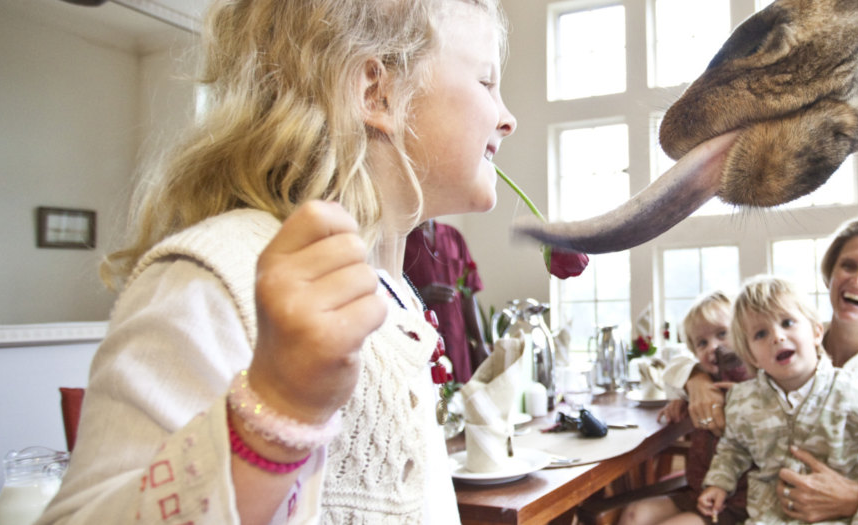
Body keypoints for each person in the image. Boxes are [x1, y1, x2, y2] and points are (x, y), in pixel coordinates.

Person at [38, 0, 517, 522]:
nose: (508, 119)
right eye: (488, 83)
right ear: (377, 92)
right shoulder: (220, 277)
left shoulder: (390, 291)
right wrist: (272, 415)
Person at [683, 211, 858, 520]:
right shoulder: (787, 339)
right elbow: (708, 343)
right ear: (830, 275)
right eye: (848, 265)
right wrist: (695, 378)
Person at [697, 276, 858, 524]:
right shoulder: (743, 400)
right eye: (761, 334)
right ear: (752, 357)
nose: (777, 337)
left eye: (787, 323)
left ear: (816, 332)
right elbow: (734, 447)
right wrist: (719, 483)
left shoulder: (855, 395)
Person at [620, 291, 752, 525]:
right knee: (634, 514)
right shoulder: (701, 384)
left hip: (738, 503)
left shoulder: (755, 385)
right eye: (702, 342)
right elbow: (675, 370)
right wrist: (683, 397)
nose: (713, 346)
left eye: (722, 334)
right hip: (697, 490)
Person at [404, 219, 488, 382]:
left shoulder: (454, 236)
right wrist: (420, 294)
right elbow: (390, 294)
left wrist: (480, 342)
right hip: (422, 349)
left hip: (457, 345)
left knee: (460, 399)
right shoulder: (401, 240)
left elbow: (469, 293)